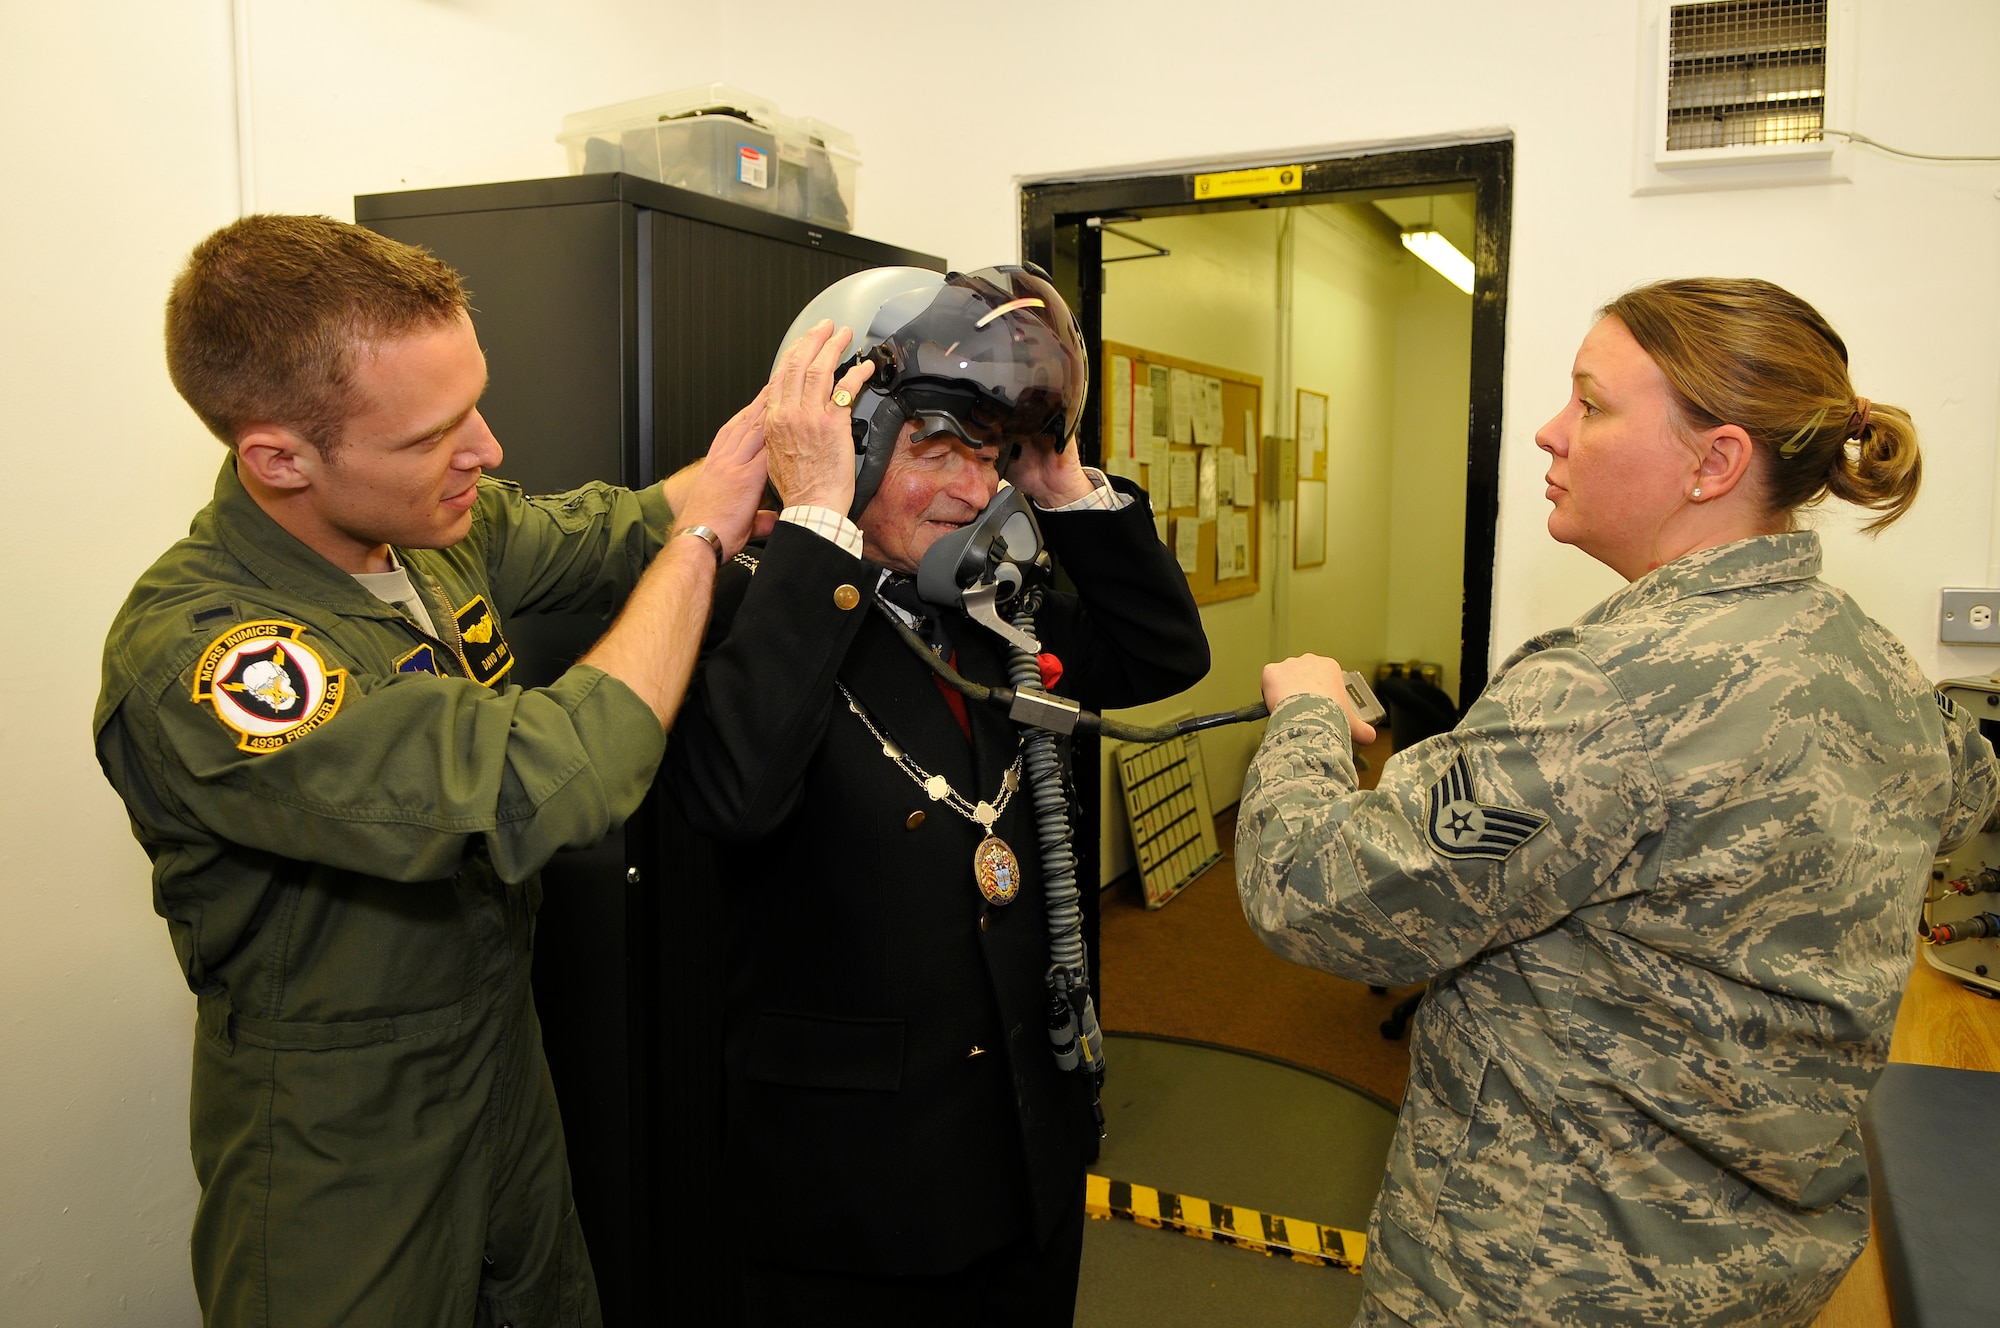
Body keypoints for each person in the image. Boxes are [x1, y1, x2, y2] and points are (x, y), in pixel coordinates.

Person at [1234, 277, 2000, 1327]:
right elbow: (1965, 786)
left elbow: (1312, 889)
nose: (1549, 433)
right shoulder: (1869, 660)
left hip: (1547, 1278)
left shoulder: (1607, 692)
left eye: (1590, 405)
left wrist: (1307, 716)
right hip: (1759, 1272)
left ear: (1713, 460)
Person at [92, 214, 801, 1326]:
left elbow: (603, 525)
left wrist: (737, 463)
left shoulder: (422, 524)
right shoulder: (217, 656)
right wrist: (701, 546)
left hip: (499, 1064)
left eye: (474, 400)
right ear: (280, 457)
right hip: (341, 1133)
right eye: (434, 431)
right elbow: (546, 781)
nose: (487, 448)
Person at [662, 266, 1209, 1324]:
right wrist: (818, 519)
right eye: (936, 449)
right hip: (859, 1192)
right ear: (848, 438)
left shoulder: (981, 606)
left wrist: (1057, 482)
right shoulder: (740, 604)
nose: (973, 490)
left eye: (991, 456)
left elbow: (1160, 653)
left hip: (1019, 1148)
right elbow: (732, 795)